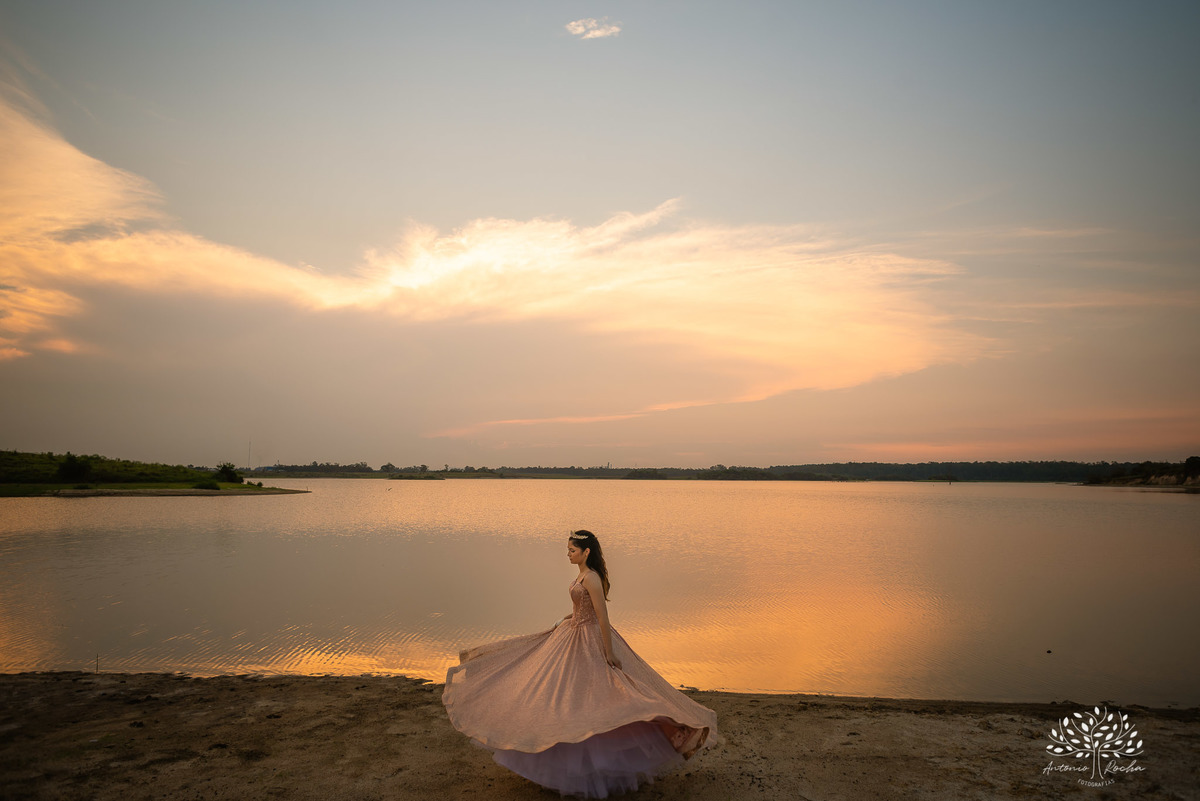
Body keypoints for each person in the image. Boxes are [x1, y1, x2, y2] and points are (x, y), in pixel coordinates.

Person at [442, 529, 719, 798]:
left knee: (603, 697)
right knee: (566, 695)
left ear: (586, 552)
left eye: (572, 550)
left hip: (589, 640)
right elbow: (580, 609)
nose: (568, 554)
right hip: (573, 632)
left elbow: (602, 616)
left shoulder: (592, 578)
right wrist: (563, 620)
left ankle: (613, 760)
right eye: (568, 550)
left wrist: (608, 652)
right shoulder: (582, 576)